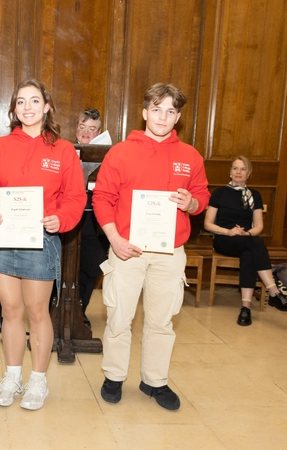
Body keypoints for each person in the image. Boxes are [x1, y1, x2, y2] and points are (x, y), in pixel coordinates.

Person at [92, 83, 210, 411]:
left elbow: (203, 197)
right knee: (119, 317)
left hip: (169, 252)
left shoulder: (190, 156)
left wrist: (192, 203)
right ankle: (114, 375)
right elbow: (102, 198)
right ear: (145, 113)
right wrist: (114, 239)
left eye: (170, 111)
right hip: (126, 249)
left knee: (162, 320)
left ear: (178, 117)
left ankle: (154, 380)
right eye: (157, 109)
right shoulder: (120, 153)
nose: (163, 116)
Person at [0, 79, 86, 411]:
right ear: (14, 109)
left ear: (47, 106)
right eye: (21, 102)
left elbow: (75, 198)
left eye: (34, 101)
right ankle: (12, 376)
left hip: (42, 241)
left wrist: (61, 220)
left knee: (37, 311)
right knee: (11, 311)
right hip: (2, 239)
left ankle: (38, 380)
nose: (28, 108)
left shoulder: (63, 149)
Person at [204, 155, 287, 326]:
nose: (238, 172)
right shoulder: (219, 193)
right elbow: (208, 224)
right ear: (230, 172)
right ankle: (274, 292)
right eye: (235, 168)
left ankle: (245, 308)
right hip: (224, 239)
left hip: (245, 239)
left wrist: (246, 234)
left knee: (249, 253)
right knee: (256, 243)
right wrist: (229, 231)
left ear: (249, 174)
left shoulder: (255, 195)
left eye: (243, 169)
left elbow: (258, 226)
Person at [74, 108, 110, 326]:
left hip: (94, 221)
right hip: (68, 220)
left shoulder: (108, 157)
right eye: (82, 127)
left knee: (93, 266)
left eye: (92, 129)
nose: (86, 133)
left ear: (99, 133)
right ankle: (59, 310)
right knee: (65, 269)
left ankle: (80, 310)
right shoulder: (64, 151)